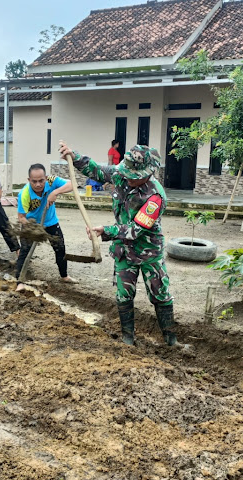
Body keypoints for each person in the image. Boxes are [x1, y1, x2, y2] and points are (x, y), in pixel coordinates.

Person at [59, 141, 190, 353]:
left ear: (147, 173)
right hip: (124, 252)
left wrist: (105, 231)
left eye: (134, 175)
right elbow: (97, 170)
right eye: (127, 173)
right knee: (123, 294)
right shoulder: (121, 175)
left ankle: (171, 339)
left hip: (149, 252)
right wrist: (74, 156)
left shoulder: (155, 196)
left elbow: (136, 230)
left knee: (160, 294)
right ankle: (128, 337)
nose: (128, 178)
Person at [15, 163, 77, 289]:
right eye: (34, 181)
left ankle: (64, 276)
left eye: (41, 181)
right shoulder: (24, 194)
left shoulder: (51, 181)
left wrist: (55, 192)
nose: (38, 184)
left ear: (46, 178)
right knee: (25, 252)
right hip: (31, 225)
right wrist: (33, 228)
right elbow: (21, 217)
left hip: (51, 222)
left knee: (60, 248)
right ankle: (20, 281)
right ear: (29, 180)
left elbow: (73, 184)